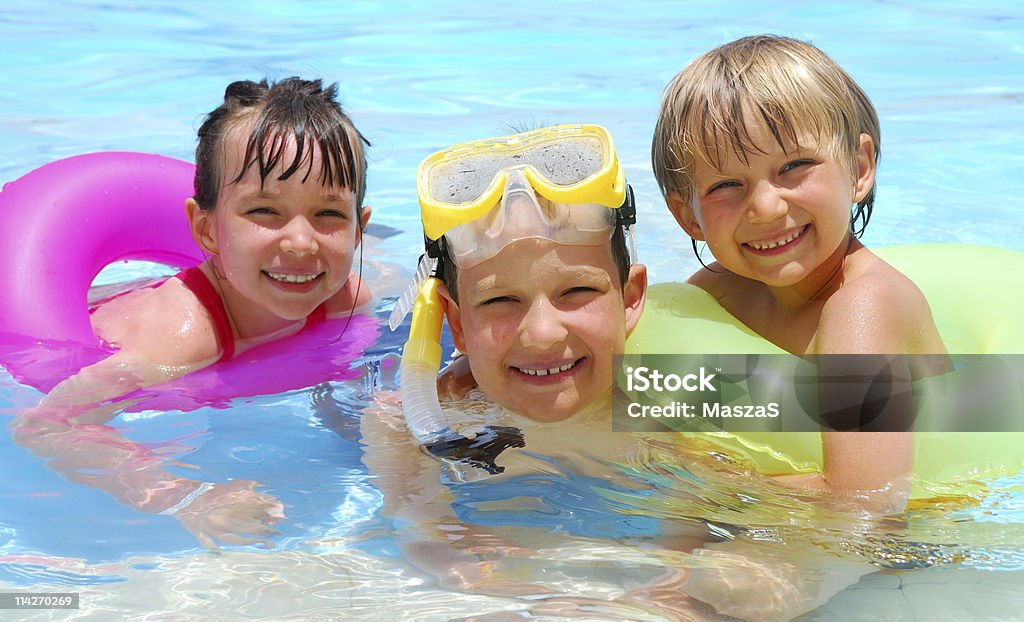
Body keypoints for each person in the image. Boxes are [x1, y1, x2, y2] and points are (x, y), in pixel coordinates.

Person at [359, 125, 854, 621]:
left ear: (632, 298)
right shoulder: (407, 426)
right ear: (456, 323)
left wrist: (667, 599)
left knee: (741, 589)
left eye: (577, 292)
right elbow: (428, 537)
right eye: (500, 301)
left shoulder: (670, 414)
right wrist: (514, 594)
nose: (542, 334)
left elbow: (798, 511)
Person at [13, 76, 373, 548]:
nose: (302, 243)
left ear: (359, 229)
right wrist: (186, 498)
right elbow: (45, 424)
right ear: (205, 230)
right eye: (265, 211)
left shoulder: (349, 300)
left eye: (329, 215)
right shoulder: (178, 338)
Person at [651, 35, 949, 512]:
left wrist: (712, 478)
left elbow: (866, 503)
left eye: (794, 167)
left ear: (859, 167)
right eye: (727, 185)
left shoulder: (863, 308)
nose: (766, 207)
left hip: (910, 551)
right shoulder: (717, 297)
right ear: (688, 216)